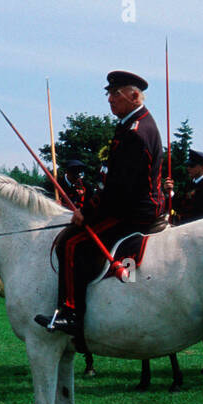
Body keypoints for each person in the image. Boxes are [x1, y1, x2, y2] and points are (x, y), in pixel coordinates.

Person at [35, 70, 166, 338]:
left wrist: (87, 212)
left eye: (115, 94)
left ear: (134, 95)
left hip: (133, 210)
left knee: (71, 244)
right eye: (108, 93)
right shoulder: (133, 124)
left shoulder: (136, 133)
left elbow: (120, 189)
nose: (109, 99)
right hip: (132, 204)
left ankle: (71, 314)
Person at [172, 149, 203, 222]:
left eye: (192, 166)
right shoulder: (189, 184)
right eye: (188, 165)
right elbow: (177, 204)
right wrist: (170, 192)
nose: (188, 168)